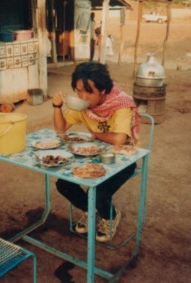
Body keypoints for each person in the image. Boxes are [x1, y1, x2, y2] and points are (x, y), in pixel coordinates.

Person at [52, 62, 140, 242]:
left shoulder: (120, 104)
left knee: (99, 191)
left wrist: (95, 133)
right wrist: (56, 107)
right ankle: (91, 211)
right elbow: (61, 131)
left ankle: (110, 216)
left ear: (103, 90)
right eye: (78, 91)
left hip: (123, 159)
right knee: (64, 184)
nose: (82, 96)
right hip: (93, 155)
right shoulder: (81, 106)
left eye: (88, 92)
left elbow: (118, 140)